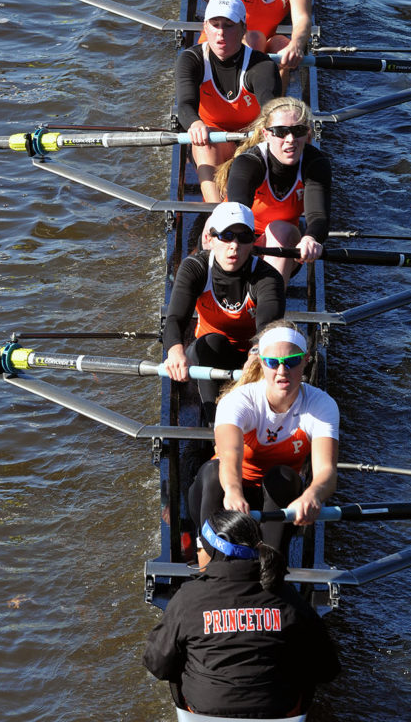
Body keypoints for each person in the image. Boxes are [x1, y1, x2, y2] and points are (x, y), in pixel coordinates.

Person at [143, 509, 340, 719]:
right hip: (280, 711)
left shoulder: (187, 598)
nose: (197, 553)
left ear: (219, 549)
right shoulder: (288, 598)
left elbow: (157, 664)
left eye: (200, 546)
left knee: (174, 651)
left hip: (203, 712)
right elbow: (327, 669)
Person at [189, 320, 339, 563]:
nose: (282, 371)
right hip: (225, 493)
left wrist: (313, 494)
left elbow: (326, 473)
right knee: (214, 471)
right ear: (262, 363)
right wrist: (234, 491)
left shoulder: (321, 405)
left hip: (277, 503)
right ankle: (211, 556)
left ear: (306, 359)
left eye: (291, 361)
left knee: (284, 476)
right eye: (273, 362)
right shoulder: (238, 402)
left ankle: (270, 563)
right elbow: (229, 457)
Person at [163, 202, 284, 424]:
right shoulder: (195, 269)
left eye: (243, 237)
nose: (234, 246)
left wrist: (256, 354)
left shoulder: (268, 278)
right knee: (210, 343)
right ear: (209, 239)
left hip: (252, 360)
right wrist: (174, 351)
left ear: (253, 242)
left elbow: (268, 328)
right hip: (207, 356)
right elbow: (174, 320)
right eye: (226, 236)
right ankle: (215, 431)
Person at [176, 0, 280, 202]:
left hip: (251, 138)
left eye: (229, 25)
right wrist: (195, 123)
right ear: (205, 27)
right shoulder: (191, 59)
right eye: (215, 25)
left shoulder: (261, 65)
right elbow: (185, 105)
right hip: (211, 140)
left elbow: (270, 107)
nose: (220, 33)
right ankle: (218, 215)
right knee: (204, 143)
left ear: (243, 29)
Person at [216, 97, 331, 284]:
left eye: (298, 131)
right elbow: (235, 215)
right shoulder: (249, 163)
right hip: (234, 237)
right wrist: (241, 246)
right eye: (281, 132)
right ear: (266, 134)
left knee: (281, 230)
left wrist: (311, 238)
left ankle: (269, 304)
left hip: (282, 248)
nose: (291, 139)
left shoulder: (316, 164)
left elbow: (318, 216)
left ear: (308, 135)